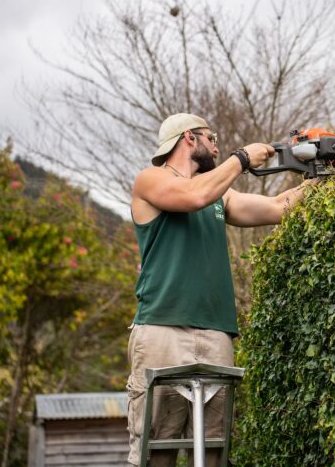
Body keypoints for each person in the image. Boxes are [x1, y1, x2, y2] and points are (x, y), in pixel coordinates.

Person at [127, 113, 312, 466]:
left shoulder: (218, 195)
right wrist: (240, 159)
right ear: (188, 138)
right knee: (156, 450)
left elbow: (277, 207)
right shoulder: (151, 180)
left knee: (214, 450)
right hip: (163, 331)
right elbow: (193, 195)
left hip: (216, 335)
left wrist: (321, 179)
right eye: (210, 137)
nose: (216, 145)